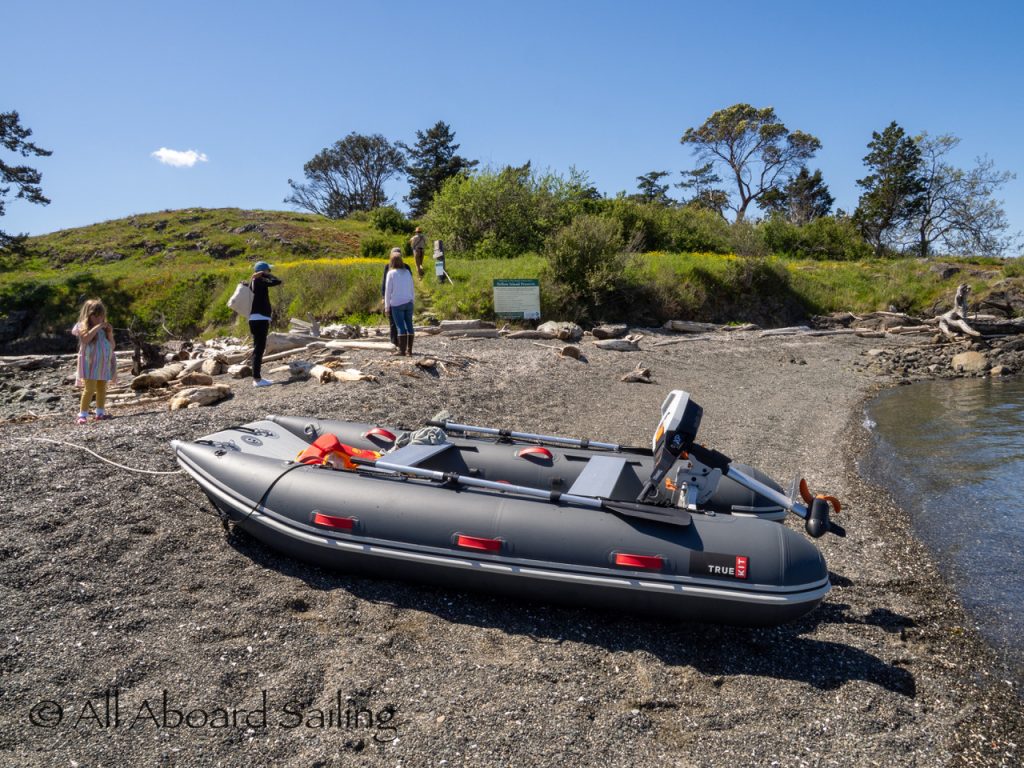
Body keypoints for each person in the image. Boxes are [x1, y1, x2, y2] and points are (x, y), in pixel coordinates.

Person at [72, 298, 117, 424]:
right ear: (88, 315)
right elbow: (85, 340)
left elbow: (112, 346)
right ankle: (83, 414)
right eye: (95, 316)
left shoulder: (104, 329)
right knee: (90, 388)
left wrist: (110, 333)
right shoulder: (82, 326)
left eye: (101, 316)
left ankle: (100, 412)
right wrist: (97, 327)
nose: (99, 319)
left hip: (103, 362)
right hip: (89, 363)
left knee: (102, 388)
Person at [249, 261, 282, 387]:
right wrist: (265, 275)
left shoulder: (253, 282)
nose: (270, 272)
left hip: (254, 318)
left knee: (258, 347)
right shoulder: (259, 281)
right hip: (260, 319)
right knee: (259, 348)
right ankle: (257, 379)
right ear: (263, 271)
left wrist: (262, 274)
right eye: (269, 270)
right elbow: (277, 281)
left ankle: (257, 377)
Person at [383, 247, 416, 355]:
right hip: (409, 302)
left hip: (397, 304)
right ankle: (409, 350)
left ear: (391, 261)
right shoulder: (407, 272)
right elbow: (412, 287)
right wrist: (412, 301)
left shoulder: (391, 273)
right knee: (409, 325)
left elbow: (388, 291)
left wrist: (387, 307)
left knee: (400, 327)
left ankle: (402, 350)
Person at [380, 256, 410, 347]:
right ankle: (403, 346)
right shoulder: (406, 270)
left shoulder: (393, 271)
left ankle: (399, 346)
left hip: (396, 301)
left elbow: (387, 289)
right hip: (406, 300)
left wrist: (386, 305)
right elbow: (384, 285)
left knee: (397, 324)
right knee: (403, 324)